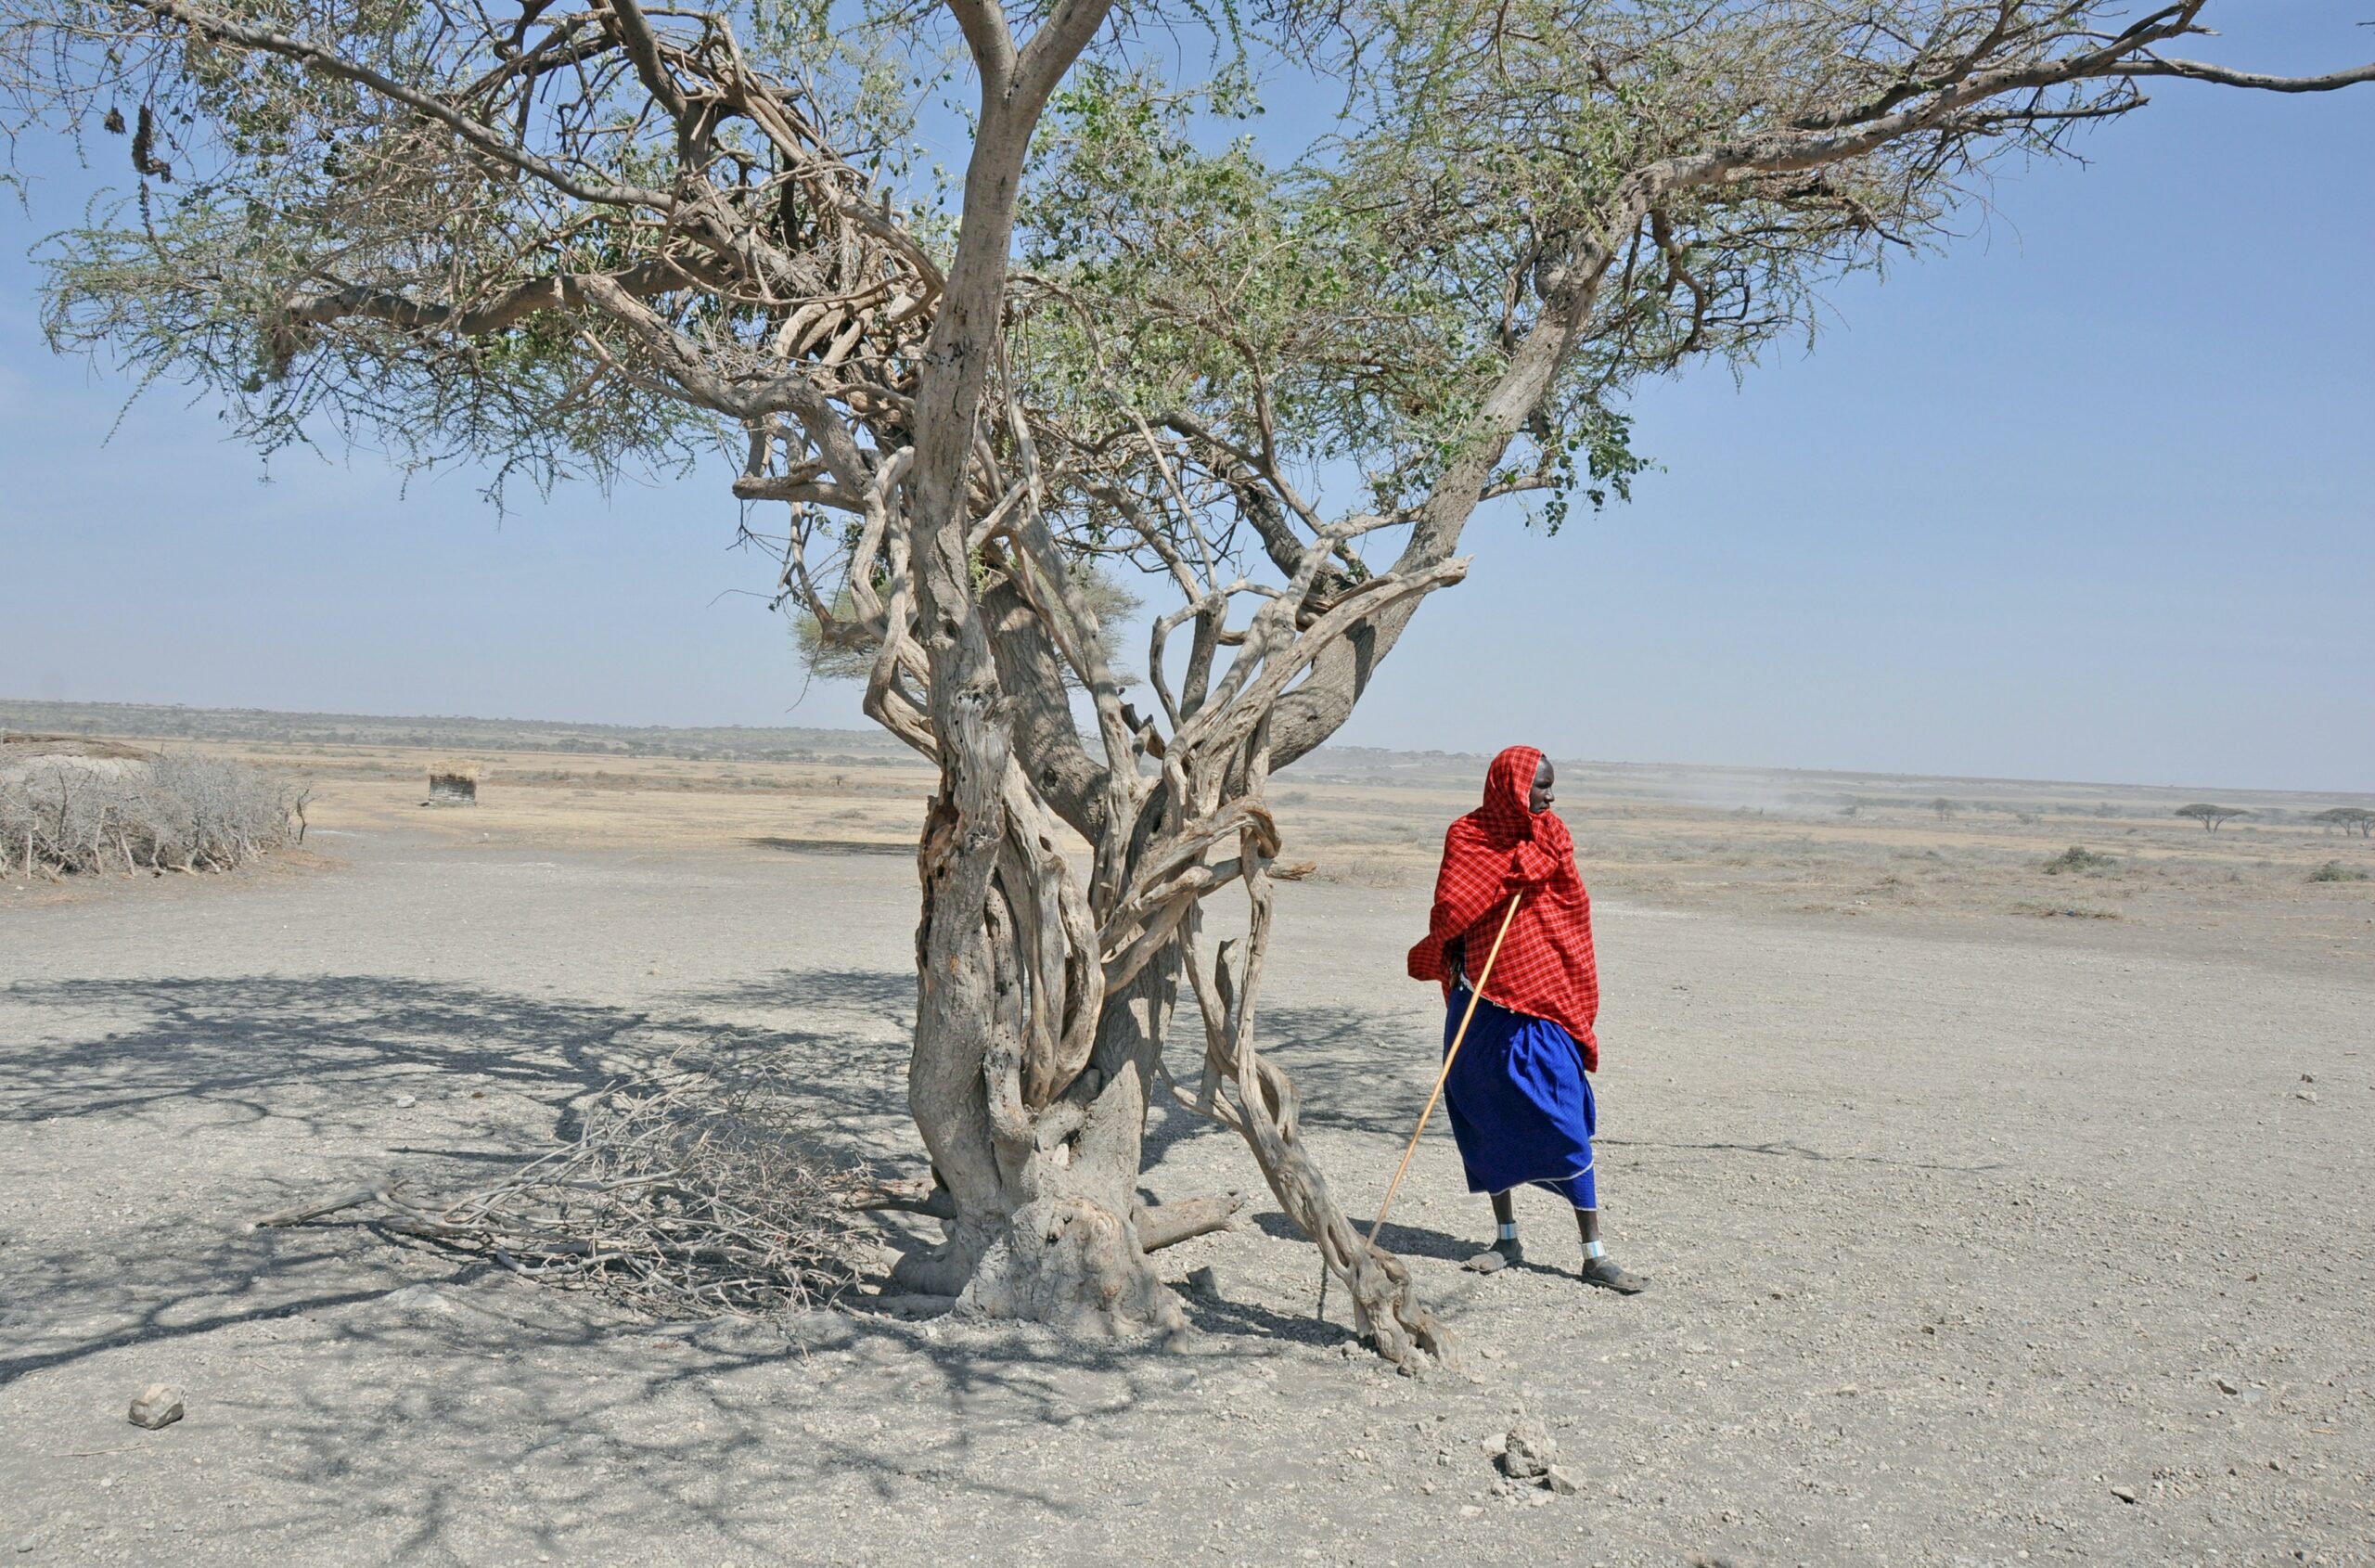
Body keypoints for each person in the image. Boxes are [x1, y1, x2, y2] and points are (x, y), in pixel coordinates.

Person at [1406, 746, 1647, 1292]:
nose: (1549, 796)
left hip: (1542, 1002)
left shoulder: (1552, 837)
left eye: (1550, 786)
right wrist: (1506, 880)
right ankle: (1506, 1238)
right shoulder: (1467, 836)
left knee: (1564, 1117)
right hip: (1479, 998)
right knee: (1484, 1111)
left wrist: (1527, 870)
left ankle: (1594, 1253)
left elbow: (1570, 913)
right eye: (1540, 787)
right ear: (1511, 788)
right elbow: (1451, 911)